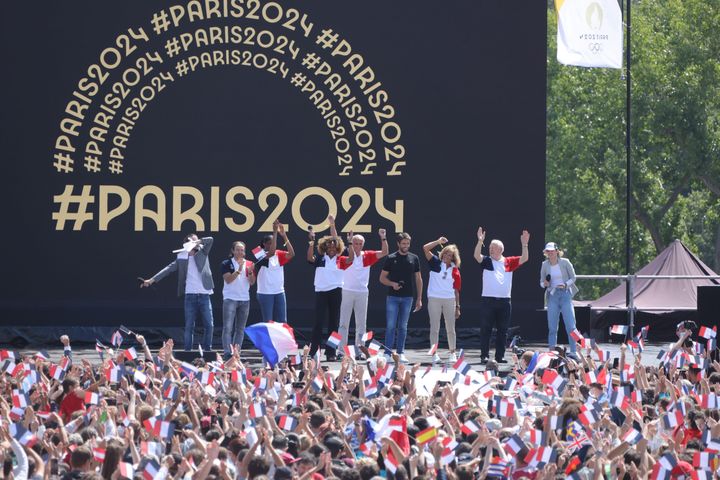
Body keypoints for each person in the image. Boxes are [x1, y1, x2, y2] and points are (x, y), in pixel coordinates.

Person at [141, 234, 215, 351]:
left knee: (209, 325)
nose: (196, 243)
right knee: (189, 326)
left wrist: (198, 242)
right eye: (192, 241)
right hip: (190, 295)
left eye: (196, 241)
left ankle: (207, 350)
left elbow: (210, 240)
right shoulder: (182, 256)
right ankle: (187, 351)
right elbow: (168, 269)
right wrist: (151, 280)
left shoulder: (203, 251)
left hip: (204, 294)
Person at [474, 227, 529, 363]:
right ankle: (484, 356)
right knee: (486, 329)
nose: (490, 249)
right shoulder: (487, 261)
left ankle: (500, 356)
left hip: (505, 302)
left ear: (500, 250)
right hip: (488, 301)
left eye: (493, 248)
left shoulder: (508, 262)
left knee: (502, 331)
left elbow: (525, 258)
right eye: (490, 247)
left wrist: (524, 244)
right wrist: (480, 241)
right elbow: (476, 256)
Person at [337, 228, 389, 357]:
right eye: (355, 243)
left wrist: (383, 237)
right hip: (347, 292)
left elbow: (385, 252)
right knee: (343, 323)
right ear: (351, 244)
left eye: (360, 244)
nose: (358, 246)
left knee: (361, 324)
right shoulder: (345, 258)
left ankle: (360, 350)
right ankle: (341, 350)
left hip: (362, 293)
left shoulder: (368, 255)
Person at [379, 232, 422, 363]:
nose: (406, 245)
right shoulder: (391, 258)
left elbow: (418, 279)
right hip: (392, 297)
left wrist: (419, 298)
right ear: (398, 244)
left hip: (408, 297)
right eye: (403, 243)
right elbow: (382, 278)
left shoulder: (414, 258)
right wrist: (393, 284)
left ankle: (401, 352)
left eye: (407, 243)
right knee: (391, 325)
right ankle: (387, 352)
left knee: (403, 326)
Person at [307, 216, 345, 361]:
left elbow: (336, 238)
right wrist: (311, 242)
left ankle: (331, 352)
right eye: (328, 246)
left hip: (336, 291)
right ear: (324, 247)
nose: (331, 248)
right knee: (318, 323)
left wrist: (332, 224)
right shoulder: (320, 258)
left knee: (334, 324)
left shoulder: (341, 258)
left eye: (333, 246)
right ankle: (314, 352)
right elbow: (309, 258)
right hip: (321, 292)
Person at [422, 237, 462, 363]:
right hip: (434, 299)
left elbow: (456, 290)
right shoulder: (434, 262)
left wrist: (457, 307)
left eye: (450, 255)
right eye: (445, 253)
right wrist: (438, 242)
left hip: (449, 300)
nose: (447, 256)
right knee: (435, 328)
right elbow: (425, 248)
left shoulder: (455, 270)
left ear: (453, 258)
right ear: (442, 253)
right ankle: (434, 354)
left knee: (451, 328)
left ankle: (452, 353)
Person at [539, 242, 579, 356]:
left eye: (552, 251)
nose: (550, 253)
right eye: (548, 251)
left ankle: (574, 352)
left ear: (557, 251)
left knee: (571, 326)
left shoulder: (565, 262)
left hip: (565, 294)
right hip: (553, 295)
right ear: (546, 253)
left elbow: (573, 277)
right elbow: (541, 282)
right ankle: (552, 352)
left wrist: (565, 284)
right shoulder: (544, 264)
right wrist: (545, 283)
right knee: (552, 327)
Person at [220, 241, 255, 359]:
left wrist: (250, 272)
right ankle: (227, 353)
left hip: (245, 299)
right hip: (230, 299)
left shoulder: (249, 263)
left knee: (240, 329)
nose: (240, 252)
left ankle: (236, 353)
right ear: (233, 251)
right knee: (228, 328)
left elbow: (252, 282)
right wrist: (239, 269)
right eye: (238, 250)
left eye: (242, 250)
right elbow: (228, 279)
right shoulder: (226, 263)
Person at [254, 220, 295, 323]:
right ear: (264, 244)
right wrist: (275, 232)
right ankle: (267, 340)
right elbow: (271, 253)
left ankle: (282, 340)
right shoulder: (257, 251)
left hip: (279, 292)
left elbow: (292, 254)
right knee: (268, 321)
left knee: (283, 321)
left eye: (274, 243)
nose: (273, 245)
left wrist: (284, 236)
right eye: (269, 243)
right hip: (265, 293)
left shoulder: (279, 254)